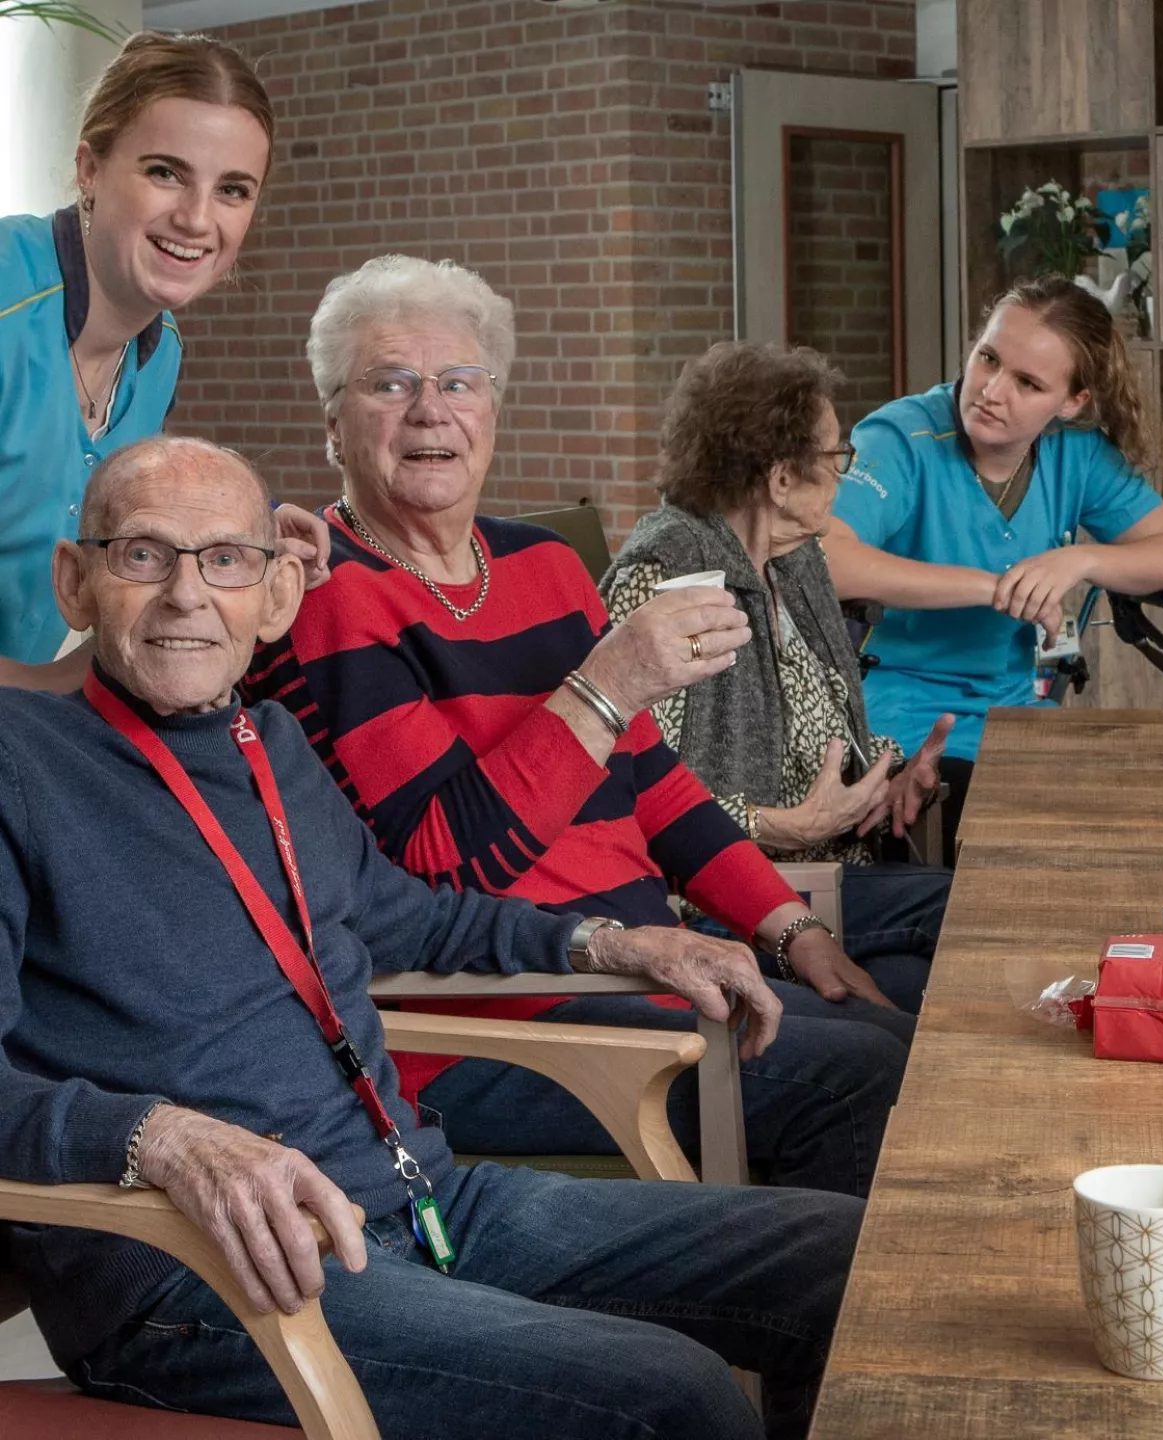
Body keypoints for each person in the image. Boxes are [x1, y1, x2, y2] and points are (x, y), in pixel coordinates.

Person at [0, 434, 856, 1438]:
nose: (188, 594)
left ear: (275, 597)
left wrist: (618, 944)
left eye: (226, 559)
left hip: (416, 1198)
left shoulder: (269, 747)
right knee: (671, 1394)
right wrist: (157, 1135)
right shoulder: (23, 765)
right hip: (208, 1274)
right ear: (75, 580)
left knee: (845, 1260)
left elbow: (415, 913)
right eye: (143, 554)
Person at [240, 255, 908, 1198]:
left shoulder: (545, 566)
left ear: (493, 408)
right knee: (871, 1079)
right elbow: (441, 866)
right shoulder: (328, 598)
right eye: (390, 383)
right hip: (500, 1018)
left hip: (649, 975)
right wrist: (607, 684)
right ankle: (824, 1334)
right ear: (333, 423)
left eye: (461, 382)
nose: (432, 409)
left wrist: (791, 927)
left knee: (903, 1024)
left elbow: (658, 788)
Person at [602, 341, 951, 1013]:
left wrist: (893, 780)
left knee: (949, 952)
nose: (845, 476)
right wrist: (782, 824)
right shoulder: (670, 582)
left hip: (824, 872)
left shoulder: (795, 565)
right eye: (835, 458)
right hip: (739, 897)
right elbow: (634, 793)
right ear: (781, 478)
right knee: (961, 918)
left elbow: (819, 738)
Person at [822, 275, 1163, 847]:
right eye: (988, 359)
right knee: (998, 833)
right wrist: (992, 586)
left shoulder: (1075, 452)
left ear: (1071, 402)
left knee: (1141, 825)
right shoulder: (902, 437)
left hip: (1017, 717)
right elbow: (825, 559)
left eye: (1027, 383)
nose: (991, 391)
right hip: (908, 713)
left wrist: (1078, 560)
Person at [0, 31, 329, 690]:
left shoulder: (160, 349)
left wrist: (248, 523)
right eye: (164, 172)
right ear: (90, 168)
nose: (196, 219)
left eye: (233, 190)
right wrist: (41, 696)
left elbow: (106, 507)